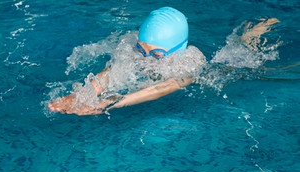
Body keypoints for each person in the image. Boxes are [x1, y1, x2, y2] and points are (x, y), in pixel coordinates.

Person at [48, 7, 279, 116]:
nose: (146, 59)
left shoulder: (189, 63)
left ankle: (254, 33)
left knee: (246, 59)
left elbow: (164, 87)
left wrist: (109, 103)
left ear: (177, 50)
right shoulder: (136, 49)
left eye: (156, 55)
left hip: (228, 69)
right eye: (142, 50)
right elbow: (112, 72)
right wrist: (80, 95)